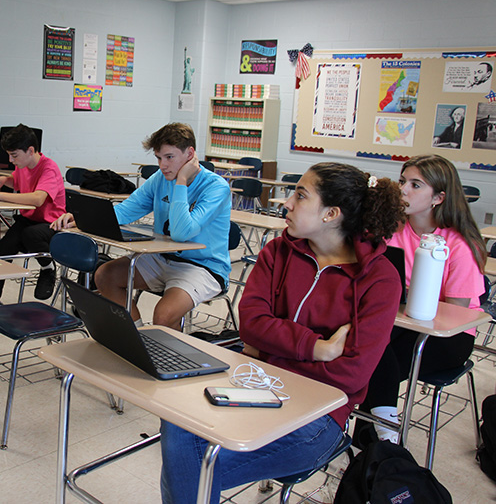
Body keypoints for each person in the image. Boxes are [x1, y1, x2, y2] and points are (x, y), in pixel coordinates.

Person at [159, 162, 405, 503]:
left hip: (320, 418)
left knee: (197, 468)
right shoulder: (278, 251)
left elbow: (351, 374)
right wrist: (315, 347)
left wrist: (270, 351)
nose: (285, 203)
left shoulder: (379, 279)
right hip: (255, 389)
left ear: (331, 214)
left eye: (300, 196)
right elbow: (251, 324)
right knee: (178, 423)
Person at [52, 122, 231, 330]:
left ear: (190, 154)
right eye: (158, 158)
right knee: (104, 276)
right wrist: (81, 219)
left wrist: (181, 181)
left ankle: (167, 359)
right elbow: (127, 210)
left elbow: (182, 233)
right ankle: (139, 339)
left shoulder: (216, 188)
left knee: (163, 315)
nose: (162, 165)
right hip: (163, 257)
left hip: (203, 267)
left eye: (169, 157)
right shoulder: (160, 179)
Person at [359, 154, 487, 444]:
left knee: (373, 357)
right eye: (403, 181)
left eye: (416, 185)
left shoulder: (458, 245)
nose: (403, 190)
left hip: (448, 336)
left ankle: (380, 442)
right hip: (402, 323)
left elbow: (455, 315)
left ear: (438, 198)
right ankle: (381, 440)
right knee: (370, 347)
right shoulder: (393, 232)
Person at [0, 124, 66, 303]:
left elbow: (38, 198)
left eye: (14, 155)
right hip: (28, 219)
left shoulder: (49, 168)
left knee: (30, 235)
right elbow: (18, 181)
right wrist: (5, 180)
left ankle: (48, 268)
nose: (11, 159)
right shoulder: (22, 165)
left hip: (52, 223)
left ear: (30, 150)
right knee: (3, 247)